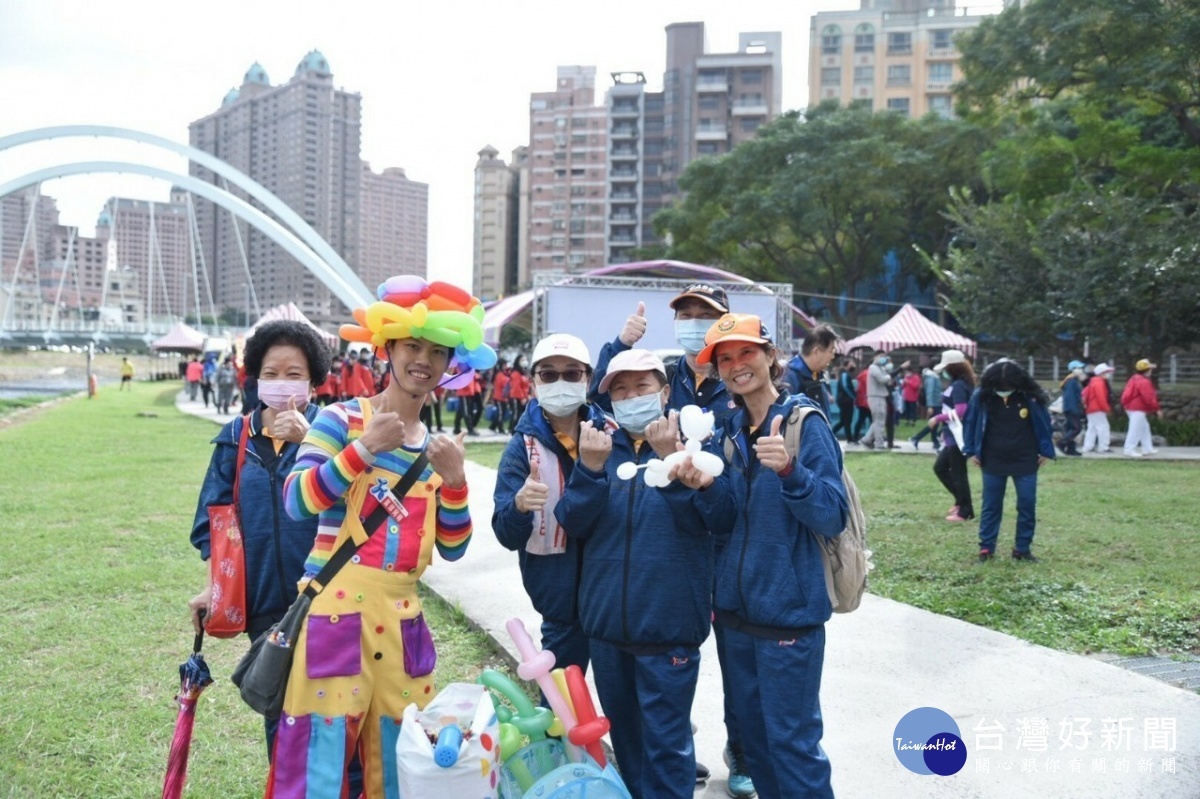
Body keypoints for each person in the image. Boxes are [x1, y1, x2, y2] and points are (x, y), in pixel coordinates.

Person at [269, 276, 486, 799]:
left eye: (438, 351)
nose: (424, 361)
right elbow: (296, 500)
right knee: (317, 762)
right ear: (387, 348)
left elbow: (453, 549)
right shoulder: (341, 419)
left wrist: (455, 484)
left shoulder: (438, 451)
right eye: (413, 346)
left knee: (401, 759)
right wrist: (362, 450)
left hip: (404, 621)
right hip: (334, 615)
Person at [588, 282, 750, 794]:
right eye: (686, 313)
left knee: (739, 669)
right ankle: (673, 764)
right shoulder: (662, 379)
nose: (694, 322)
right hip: (665, 568)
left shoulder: (737, 384)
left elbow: (726, 501)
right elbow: (603, 392)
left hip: (724, 550)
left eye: (706, 313)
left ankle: (741, 753)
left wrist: (685, 474)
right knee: (647, 724)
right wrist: (618, 345)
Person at [683, 313, 848, 799]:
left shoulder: (804, 423)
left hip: (788, 617)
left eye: (746, 353)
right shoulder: (729, 430)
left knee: (793, 745)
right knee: (753, 744)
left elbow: (833, 515)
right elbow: (726, 520)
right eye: (725, 359)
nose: (737, 365)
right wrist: (708, 487)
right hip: (734, 619)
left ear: (770, 355)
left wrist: (792, 473)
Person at [186, 320, 352, 781]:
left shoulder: (335, 433)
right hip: (262, 604)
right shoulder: (235, 440)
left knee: (333, 715)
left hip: (328, 598)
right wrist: (211, 590)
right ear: (254, 377)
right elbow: (212, 522)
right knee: (280, 717)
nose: (282, 383)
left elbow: (357, 504)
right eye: (271, 372)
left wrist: (310, 443)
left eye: (293, 373)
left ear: (314, 379)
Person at [551, 348, 713, 799]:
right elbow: (572, 522)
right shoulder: (599, 444)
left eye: (641, 387)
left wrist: (675, 463)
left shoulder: (699, 444)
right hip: (606, 628)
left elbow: (717, 519)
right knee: (626, 742)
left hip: (668, 628)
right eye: (619, 389)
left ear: (664, 392)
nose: (629, 397)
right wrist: (588, 469)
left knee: (667, 747)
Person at [493, 334, 608, 687]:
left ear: (588, 379)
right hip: (559, 603)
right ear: (533, 381)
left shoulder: (612, 436)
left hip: (612, 599)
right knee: (561, 707)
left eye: (572, 374)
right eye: (549, 374)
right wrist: (519, 506)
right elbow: (505, 532)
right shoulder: (520, 449)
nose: (561, 382)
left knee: (623, 708)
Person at [962, 360, 1056, 562]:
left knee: (1027, 504)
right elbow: (970, 423)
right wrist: (971, 451)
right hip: (992, 459)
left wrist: (1045, 450)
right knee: (991, 505)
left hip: (1025, 459)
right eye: (1000, 388)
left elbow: (1044, 423)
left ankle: (1022, 549)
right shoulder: (982, 397)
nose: (1004, 391)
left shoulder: (1029, 397)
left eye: (1008, 388)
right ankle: (986, 548)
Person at [929, 349, 977, 522]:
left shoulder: (958, 386)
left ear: (952, 367)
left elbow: (961, 411)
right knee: (940, 468)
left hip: (957, 436)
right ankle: (960, 501)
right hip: (951, 435)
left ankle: (966, 510)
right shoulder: (960, 383)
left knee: (958, 473)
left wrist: (937, 418)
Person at [784, 324, 840, 416]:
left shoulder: (816, 375)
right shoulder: (790, 377)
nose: (832, 356)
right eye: (831, 351)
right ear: (816, 352)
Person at [1121, 359, 1161, 457]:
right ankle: (1129, 449)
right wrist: (1157, 409)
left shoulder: (1134, 378)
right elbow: (1149, 397)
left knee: (1144, 428)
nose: (1151, 371)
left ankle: (1147, 448)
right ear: (1147, 370)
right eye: (1150, 369)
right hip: (1137, 408)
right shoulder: (1144, 382)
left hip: (1131, 407)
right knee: (1135, 429)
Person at [858, 352, 893, 450]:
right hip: (875, 397)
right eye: (881, 356)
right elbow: (882, 380)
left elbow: (888, 381)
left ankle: (866, 439)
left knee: (878, 421)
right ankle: (879, 443)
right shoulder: (873, 367)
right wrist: (889, 376)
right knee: (879, 422)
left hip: (880, 396)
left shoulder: (880, 368)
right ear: (875, 357)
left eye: (884, 357)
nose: (883, 358)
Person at [1081, 363, 1114, 454]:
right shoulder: (1099, 382)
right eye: (1106, 372)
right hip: (1098, 408)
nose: (1108, 374)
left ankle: (1087, 447)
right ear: (1101, 373)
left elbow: (1085, 394)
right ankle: (1103, 447)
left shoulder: (1092, 381)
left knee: (1092, 428)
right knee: (1103, 427)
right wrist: (1106, 408)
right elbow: (1101, 397)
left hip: (1091, 408)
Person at [910, 365, 944, 451]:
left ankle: (935, 443)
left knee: (935, 424)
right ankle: (916, 438)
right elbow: (930, 392)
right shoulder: (932, 377)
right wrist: (930, 406)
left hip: (937, 403)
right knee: (934, 423)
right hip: (934, 404)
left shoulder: (934, 377)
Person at [1057, 360, 1085, 457]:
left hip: (1069, 408)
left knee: (1070, 428)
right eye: (1078, 368)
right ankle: (1062, 442)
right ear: (1073, 370)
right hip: (1072, 408)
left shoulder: (1071, 380)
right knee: (1076, 428)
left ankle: (1071, 448)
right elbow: (1071, 397)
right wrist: (1076, 408)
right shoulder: (1072, 381)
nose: (1081, 370)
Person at [832, 358, 858, 442]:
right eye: (852, 363)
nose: (853, 365)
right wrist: (853, 396)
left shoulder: (844, 374)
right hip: (845, 401)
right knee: (845, 421)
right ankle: (831, 433)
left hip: (845, 400)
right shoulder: (844, 374)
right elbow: (846, 386)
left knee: (846, 421)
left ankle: (849, 438)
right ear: (847, 365)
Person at [507, 363, 531, 434]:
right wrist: (522, 397)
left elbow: (526, 387)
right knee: (516, 413)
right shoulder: (515, 374)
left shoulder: (523, 374)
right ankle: (513, 430)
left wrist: (526, 396)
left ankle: (515, 429)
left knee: (520, 414)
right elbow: (516, 387)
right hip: (516, 396)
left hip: (523, 396)